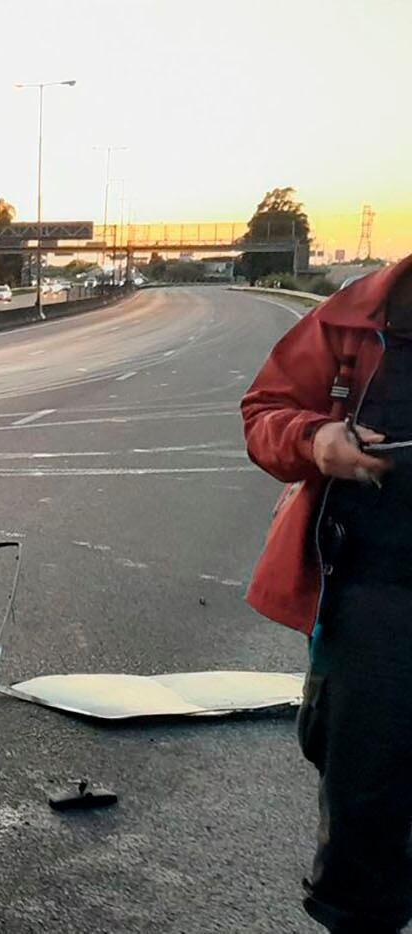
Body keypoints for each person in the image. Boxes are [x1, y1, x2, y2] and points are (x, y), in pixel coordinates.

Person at [243, 256, 412, 933]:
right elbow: (264, 412)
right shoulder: (358, 313)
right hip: (377, 598)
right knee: (362, 821)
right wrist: (318, 440)